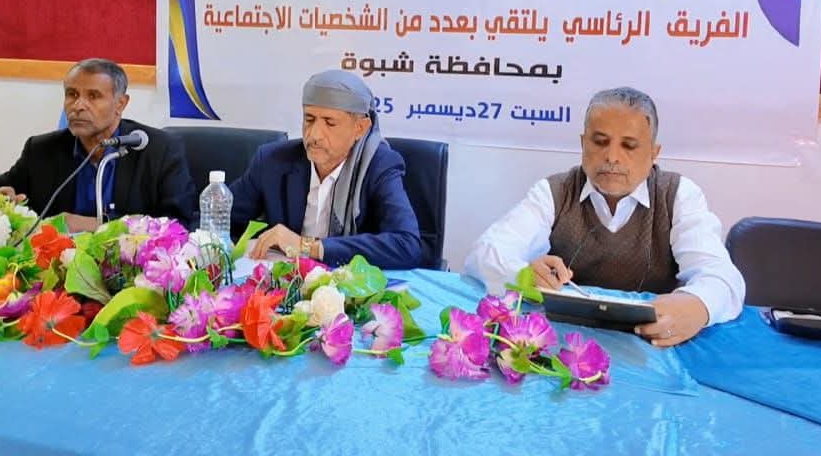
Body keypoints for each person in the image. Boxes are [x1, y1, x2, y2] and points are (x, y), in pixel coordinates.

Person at [464, 87, 745, 347]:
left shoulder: (678, 195)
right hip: (565, 343)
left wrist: (697, 306)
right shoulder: (555, 192)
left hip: (650, 349)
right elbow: (485, 253)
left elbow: (722, 275)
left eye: (629, 146)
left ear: (653, 153)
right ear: (583, 144)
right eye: (600, 142)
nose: (612, 157)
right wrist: (525, 275)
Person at [234, 70, 422, 269]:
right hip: (284, 279)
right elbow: (219, 220)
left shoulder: (380, 166)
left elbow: (407, 246)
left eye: (329, 123)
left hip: (346, 283)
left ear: (360, 128)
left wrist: (308, 247)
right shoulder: (272, 160)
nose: (314, 135)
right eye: (309, 119)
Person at [0, 58, 197, 232]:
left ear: (120, 104)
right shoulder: (41, 149)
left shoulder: (159, 149)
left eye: (93, 96)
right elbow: (0, 191)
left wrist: (95, 225)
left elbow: (178, 224)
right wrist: (0, 199)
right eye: (72, 94)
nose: (78, 106)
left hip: (128, 262)